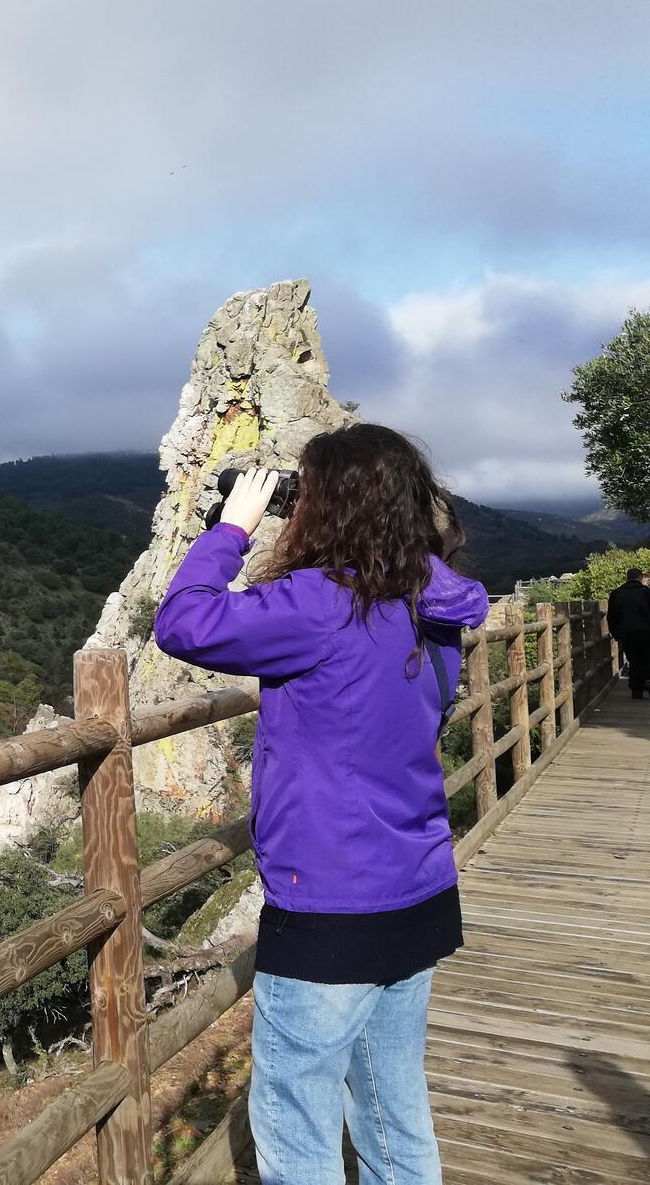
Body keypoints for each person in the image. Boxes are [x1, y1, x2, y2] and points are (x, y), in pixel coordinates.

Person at [151, 423, 488, 1185]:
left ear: (327, 507)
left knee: (296, 1123)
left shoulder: (318, 605)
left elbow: (182, 623)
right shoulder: (434, 604)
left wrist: (232, 530)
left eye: (305, 495)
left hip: (331, 902)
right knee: (392, 1108)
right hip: (420, 888)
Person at [607, 567, 650, 699]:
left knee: (634, 660)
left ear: (627, 578)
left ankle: (636, 690)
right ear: (640, 577)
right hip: (647, 632)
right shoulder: (647, 593)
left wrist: (616, 634)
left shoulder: (616, 594)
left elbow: (611, 617)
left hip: (627, 634)